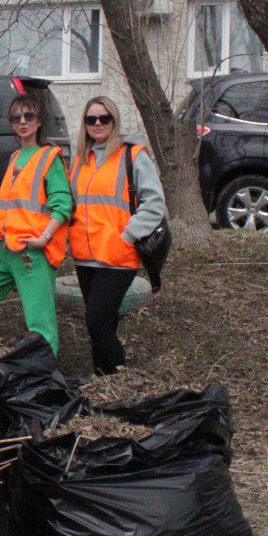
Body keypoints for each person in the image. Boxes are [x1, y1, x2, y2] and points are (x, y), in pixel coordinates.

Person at [0, 93, 71, 357]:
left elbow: (63, 205)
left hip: (31, 253)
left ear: (39, 121)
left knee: (40, 323)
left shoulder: (49, 157)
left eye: (28, 115)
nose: (22, 121)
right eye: (16, 117)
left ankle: (44, 382)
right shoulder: (15, 157)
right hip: (2, 251)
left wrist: (43, 238)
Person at [68, 96, 167, 376]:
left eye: (104, 118)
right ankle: (101, 377)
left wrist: (127, 236)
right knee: (104, 322)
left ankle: (118, 378)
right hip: (85, 256)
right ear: (84, 124)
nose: (97, 124)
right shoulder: (79, 159)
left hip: (117, 256)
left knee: (96, 320)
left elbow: (155, 204)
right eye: (91, 119)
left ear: (114, 120)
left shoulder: (132, 155)